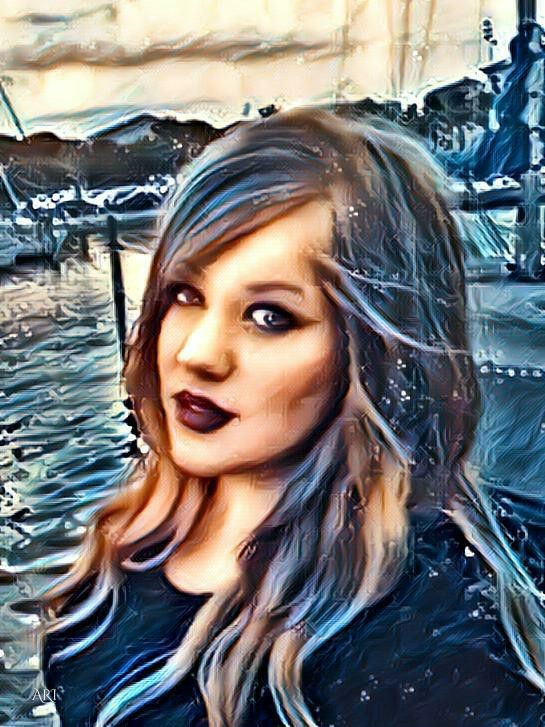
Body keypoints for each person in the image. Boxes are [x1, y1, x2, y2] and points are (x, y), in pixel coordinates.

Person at [41, 108, 545, 726]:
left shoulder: (431, 645)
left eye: (269, 317)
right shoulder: (116, 569)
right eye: (186, 295)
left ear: (373, 350)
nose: (197, 354)